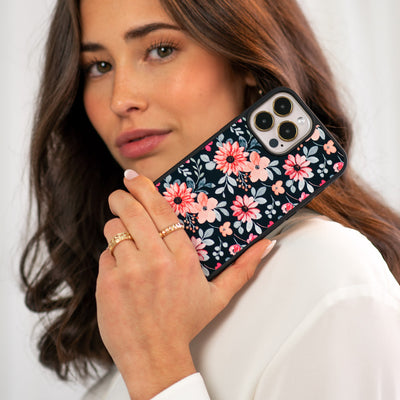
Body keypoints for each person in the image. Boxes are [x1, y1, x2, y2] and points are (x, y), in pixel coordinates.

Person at [20, 0, 400, 399]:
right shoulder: (144, 301)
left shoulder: (329, 275)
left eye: (161, 50)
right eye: (99, 66)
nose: (120, 99)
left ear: (244, 60)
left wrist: (158, 371)